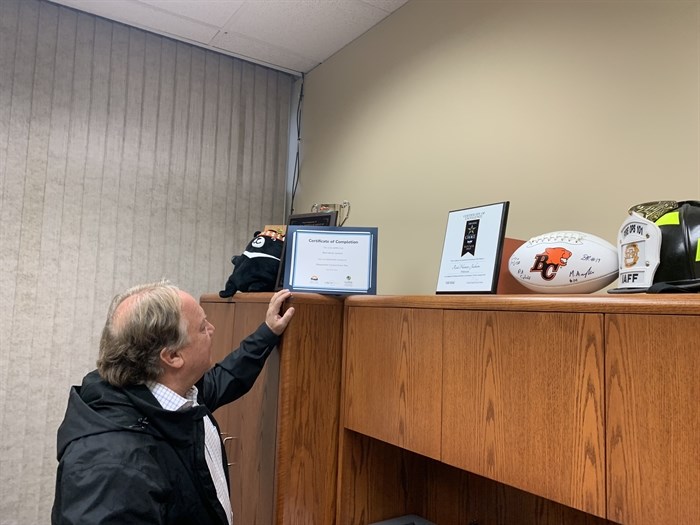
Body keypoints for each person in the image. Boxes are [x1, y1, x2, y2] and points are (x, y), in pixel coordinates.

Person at [51, 281, 295, 525]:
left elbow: (225, 378)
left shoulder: (172, 393)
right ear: (173, 357)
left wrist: (268, 332)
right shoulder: (110, 466)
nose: (212, 329)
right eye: (202, 327)